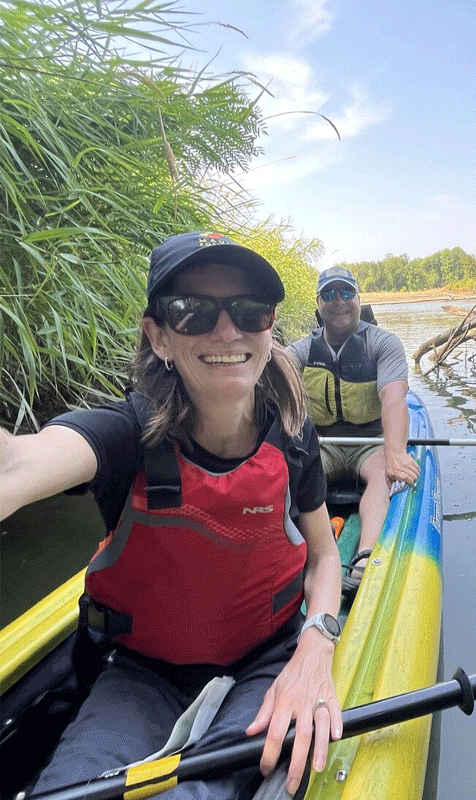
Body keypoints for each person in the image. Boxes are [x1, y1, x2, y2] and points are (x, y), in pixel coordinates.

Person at [0, 232, 343, 799]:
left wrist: (316, 648)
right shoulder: (123, 433)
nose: (227, 330)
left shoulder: (292, 435)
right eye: (193, 312)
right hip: (141, 672)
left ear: (268, 325)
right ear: (157, 336)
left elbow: (325, 555)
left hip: (265, 659)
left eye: (249, 310)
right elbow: (16, 467)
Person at [287, 267, 420, 599]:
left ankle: (364, 559)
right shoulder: (303, 350)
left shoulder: (382, 343)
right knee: (289, 472)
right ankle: (293, 559)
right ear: (318, 303)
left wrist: (394, 451)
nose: (339, 302)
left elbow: (393, 399)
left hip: (370, 443)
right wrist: (296, 436)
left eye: (346, 293)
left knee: (384, 475)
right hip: (322, 443)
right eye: (329, 295)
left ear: (358, 298)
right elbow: (276, 390)